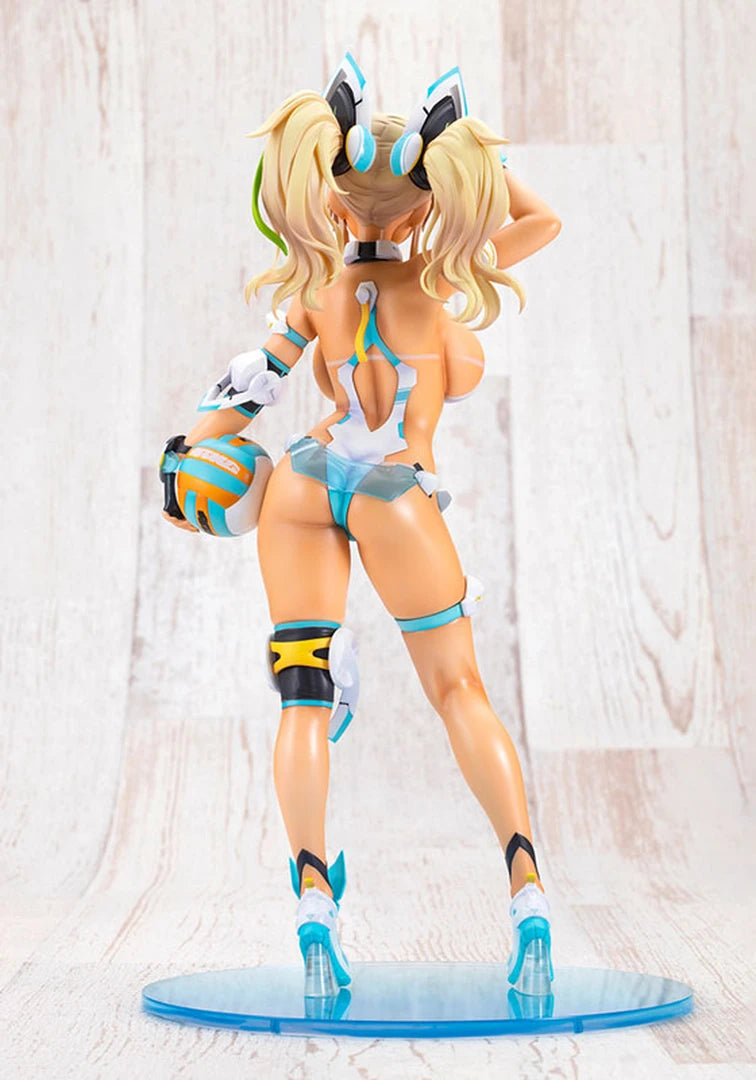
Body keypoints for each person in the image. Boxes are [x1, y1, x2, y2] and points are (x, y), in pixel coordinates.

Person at [161, 56, 561, 997]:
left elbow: (240, 400)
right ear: (427, 209)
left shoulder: (313, 297)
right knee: (458, 689)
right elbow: (541, 220)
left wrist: (184, 473)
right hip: (393, 488)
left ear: (335, 203)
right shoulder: (444, 289)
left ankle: (312, 902)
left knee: (300, 696)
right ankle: (528, 895)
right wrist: (467, 166)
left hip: (305, 482)